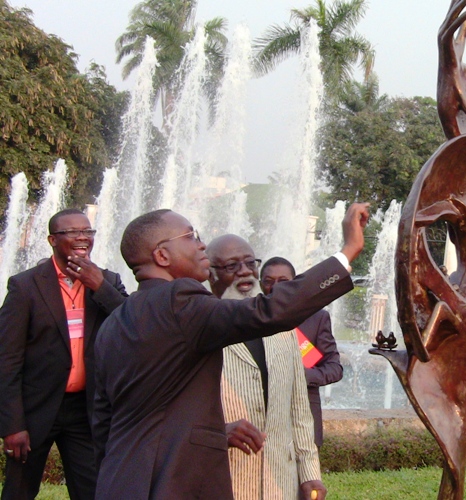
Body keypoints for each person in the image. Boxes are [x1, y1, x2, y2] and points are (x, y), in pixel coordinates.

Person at [92, 204, 368, 499]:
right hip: (173, 483)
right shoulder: (179, 301)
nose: (201, 245)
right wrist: (348, 251)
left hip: (121, 480)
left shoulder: (114, 323)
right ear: (161, 255)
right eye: (190, 236)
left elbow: (103, 421)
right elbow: (270, 310)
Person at [0, 208, 128, 500]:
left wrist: (99, 286)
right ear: (52, 240)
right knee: (18, 492)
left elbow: (131, 325)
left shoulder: (107, 280)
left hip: (86, 409)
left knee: (93, 491)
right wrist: (12, 425)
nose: (82, 237)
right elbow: (7, 359)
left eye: (87, 231)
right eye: (72, 232)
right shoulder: (25, 286)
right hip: (36, 409)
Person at [207, 241, 326, 499]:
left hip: (279, 484)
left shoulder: (283, 328)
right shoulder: (199, 328)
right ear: (211, 273)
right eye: (232, 266)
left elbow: (299, 410)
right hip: (223, 480)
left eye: (250, 263)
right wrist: (219, 431)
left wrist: (309, 473)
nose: (244, 271)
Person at [260, 257, 343, 447]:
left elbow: (334, 368)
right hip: (261, 414)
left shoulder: (316, 318)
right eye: (268, 281)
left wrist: (301, 375)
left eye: (283, 281)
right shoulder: (250, 318)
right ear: (260, 284)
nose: (275, 287)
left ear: (295, 284)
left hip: (303, 412)